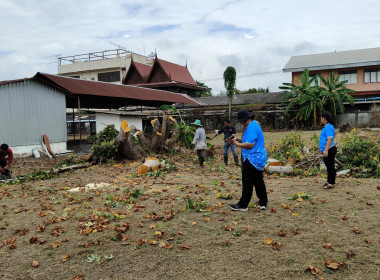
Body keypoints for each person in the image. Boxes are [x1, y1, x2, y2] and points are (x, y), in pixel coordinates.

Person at [229, 110, 268, 211]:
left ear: (245, 120)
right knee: (258, 180)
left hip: (252, 158)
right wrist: (239, 140)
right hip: (259, 158)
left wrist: (238, 145)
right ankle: (263, 202)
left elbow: (250, 144)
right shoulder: (255, 124)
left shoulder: (250, 127)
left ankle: (243, 205)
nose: (241, 124)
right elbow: (251, 140)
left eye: (242, 121)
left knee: (247, 181)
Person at [319, 111, 337, 189]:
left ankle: (331, 183)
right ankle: (328, 181)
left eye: (321, 118)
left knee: (330, 166)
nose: (320, 119)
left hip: (329, 149)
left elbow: (330, 139)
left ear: (324, 119)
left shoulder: (329, 127)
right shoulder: (326, 127)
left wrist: (326, 150)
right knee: (328, 166)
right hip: (327, 149)